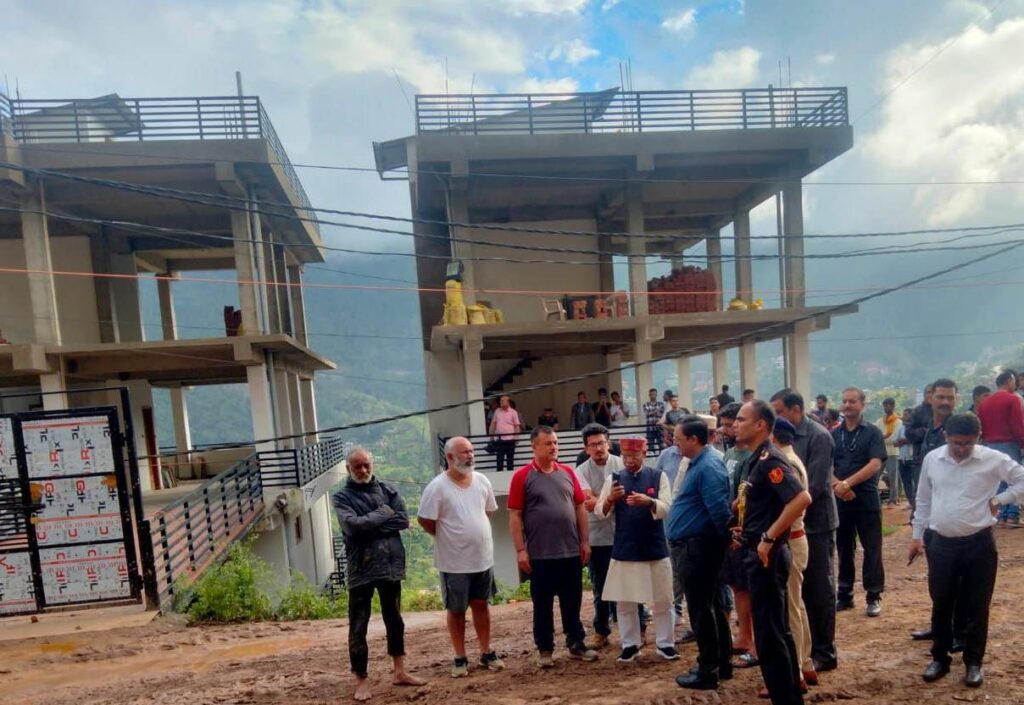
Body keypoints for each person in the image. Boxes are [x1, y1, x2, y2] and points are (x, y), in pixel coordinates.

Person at [909, 413, 1024, 688]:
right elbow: (923, 499)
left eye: (968, 444)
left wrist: (1001, 499)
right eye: (956, 443)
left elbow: (1021, 479)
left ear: (978, 438)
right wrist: (916, 536)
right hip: (941, 543)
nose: (961, 449)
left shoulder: (992, 459)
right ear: (946, 436)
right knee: (941, 602)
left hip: (979, 543)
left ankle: (973, 662)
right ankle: (940, 658)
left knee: (978, 605)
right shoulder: (933, 459)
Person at [734, 401, 811, 705]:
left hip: (768, 556)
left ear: (760, 425)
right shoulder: (756, 459)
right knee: (776, 631)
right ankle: (789, 696)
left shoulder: (770, 459)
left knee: (770, 635)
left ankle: (785, 697)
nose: (735, 424)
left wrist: (768, 536)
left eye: (741, 419)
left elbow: (801, 498)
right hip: (757, 551)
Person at [332, 448, 425, 701]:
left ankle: (400, 671)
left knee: (394, 620)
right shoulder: (341, 497)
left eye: (366, 465)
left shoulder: (388, 491)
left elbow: (403, 520)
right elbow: (352, 527)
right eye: (357, 467)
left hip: (390, 565)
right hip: (361, 568)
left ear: (372, 465)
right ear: (348, 469)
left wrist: (368, 524)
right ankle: (361, 681)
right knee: (358, 625)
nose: (363, 470)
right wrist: (384, 513)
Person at [507, 426, 598, 666]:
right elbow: (515, 515)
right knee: (542, 605)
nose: (554, 447)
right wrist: (521, 550)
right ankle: (545, 649)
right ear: (534, 447)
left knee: (572, 602)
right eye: (548, 443)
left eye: (555, 442)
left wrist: (584, 541)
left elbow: (579, 508)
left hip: (570, 551)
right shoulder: (522, 476)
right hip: (540, 555)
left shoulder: (567, 472)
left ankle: (576, 644)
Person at [417, 437, 504, 678]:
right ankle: (460, 657)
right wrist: (450, 538)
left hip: (482, 559)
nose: (470, 455)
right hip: (454, 563)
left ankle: (486, 652)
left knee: (481, 605)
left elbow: (488, 511)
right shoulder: (437, 487)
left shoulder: (482, 481)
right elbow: (425, 520)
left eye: (471, 451)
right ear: (450, 457)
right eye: (464, 452)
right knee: (456, 610)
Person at [771, 390, 838, 675]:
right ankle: (807, 654)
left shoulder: (818, 436)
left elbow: (816, 485)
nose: (775, 417)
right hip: (795, 525)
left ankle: (824, 651)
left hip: (816, 523)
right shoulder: (786, 438)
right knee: (797, 594)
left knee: (818, 589)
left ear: (796, 410)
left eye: (779, 411)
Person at [595, 437, 678, 663]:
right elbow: (600, 512)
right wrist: (610, 499)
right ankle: (630, 644)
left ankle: (666, 644)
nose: (629, 460)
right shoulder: (614, 478)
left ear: (644, 454)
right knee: (625, 601)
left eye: (634, 456)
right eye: (625, 456)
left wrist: (649, 502)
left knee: (663, 598)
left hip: (654, 546)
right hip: (626, 547)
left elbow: (667, 508)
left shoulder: (657, 476)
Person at [667, 419, 733, 690]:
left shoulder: (708, 466)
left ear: (694, 439)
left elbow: (719, 509)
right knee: (712, 606)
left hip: (698, 547)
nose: (675, 444)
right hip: (696, 545)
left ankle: (708, 669)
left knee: (702, 609)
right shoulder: (700, 463)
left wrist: (724, 542)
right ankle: (721, 662)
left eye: (678, 439)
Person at [832, 387, 888, 617]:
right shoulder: (834, 434)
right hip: (841, 499)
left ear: (862, 404)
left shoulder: (872, 433)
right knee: (844, 548)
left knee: (872, 548)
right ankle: (844, 595)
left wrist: (848, 483)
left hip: (866, 498)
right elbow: (825, 464)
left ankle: (873, 596)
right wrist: (837, 485)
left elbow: (875, 463)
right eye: (844, 401)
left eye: (852, 402)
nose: (847, 405)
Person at [574, 423, 626, 649]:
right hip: (597, 537)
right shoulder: (581, 471)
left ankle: (637, 628)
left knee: (628, 585)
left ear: (609, 444)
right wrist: (611, 499)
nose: (598, 448)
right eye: (593, 445)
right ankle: (601, 631)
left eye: (601, 443)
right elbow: (588, 502)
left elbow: (626, 497)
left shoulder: (622, 465)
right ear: (586, 449)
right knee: (600, 588)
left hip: (623, 534)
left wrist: (602, 500)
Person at [772, 419, 814, 694]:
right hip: (795, 538)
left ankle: (795, 669)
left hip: (790, 539)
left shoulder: (786, 463)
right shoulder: (791, 458)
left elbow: (795, 505)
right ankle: (806, 662)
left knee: (790, 609)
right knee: (796, 605)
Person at [717, 402, 756, 663]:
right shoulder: (729, 453)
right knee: (737, 586)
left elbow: (744, 496)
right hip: (729, 526)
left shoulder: (750, 457)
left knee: (748, 587)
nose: (726, 429)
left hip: (741, 528)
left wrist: (727, 515)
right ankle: (743, 635)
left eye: (730, 424)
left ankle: (752, 638)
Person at [976, 370, 1024, 526]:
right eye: (1014, 381)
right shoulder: (1013, 399)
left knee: (997, 481)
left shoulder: (985, 402)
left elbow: (981, 424)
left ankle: (1000, 514)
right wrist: (1022, 443)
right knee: (1014, 479)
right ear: (1009, 381)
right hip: (1010, 443)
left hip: (991, 444)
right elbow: (1017, 424)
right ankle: (1012, 515)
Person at [875, 398, 903, 506]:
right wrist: (883, 438)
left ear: (893, 406)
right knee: (875, 476)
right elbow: (875, 434)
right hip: (880, 453)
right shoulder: (880, 421)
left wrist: (881, 438)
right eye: (885, 406)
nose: (886, 408)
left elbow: (894, 439)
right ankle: (875, 497)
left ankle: (893, 499)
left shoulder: (898, 421)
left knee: (892, 477)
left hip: (892, 453)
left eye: (888, 405)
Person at [488, 395, 521, 473]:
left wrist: (516, 438)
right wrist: (491, 437)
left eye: (503, 401)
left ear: (508, 402)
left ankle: (510, 476)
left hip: (510, 440)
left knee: (510, 461)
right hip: (500, 440)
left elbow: (517, 426)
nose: (500, 402)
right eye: (500, 401)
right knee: (499, 461)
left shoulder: (513, 412)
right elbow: (493, 424)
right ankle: (499, 476)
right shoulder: (497, 411)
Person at [893, 408, 916, 510]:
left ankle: (916, 503)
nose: (904, 416)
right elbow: (894, 443)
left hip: (913, 458)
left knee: (915, 482)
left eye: (906, 414)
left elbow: (915, 439)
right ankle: (911, 502)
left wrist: (904, 441)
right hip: (902, 458)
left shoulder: (916, 427)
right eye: (904, 414)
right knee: (906, 482)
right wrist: (906, 441)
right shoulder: (901, 428)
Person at [644, 388, 667, 454]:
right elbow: (647, 414)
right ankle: (652, 459)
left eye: (654, 394)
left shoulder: (661, 404)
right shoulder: (646, 404)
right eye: (651, 394)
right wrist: (656, 412)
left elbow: (662, 414)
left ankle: (661, 458)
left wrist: (652, 412)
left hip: (659, 428)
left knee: (661, 445)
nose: (653, 396)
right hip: (650, 428)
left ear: (656, 395)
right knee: (650, 446)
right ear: (649, 395)